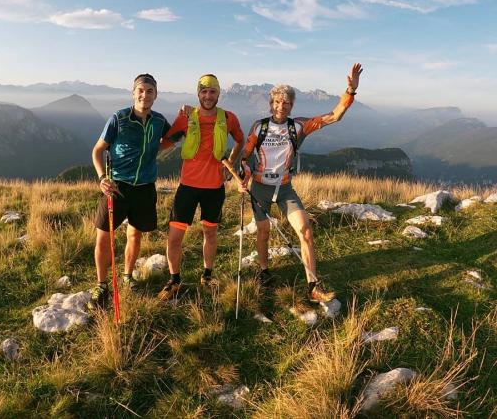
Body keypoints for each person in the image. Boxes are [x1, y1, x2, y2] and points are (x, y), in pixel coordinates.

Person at [240, 63, 363, 303]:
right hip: (260, 187)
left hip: (285, 188)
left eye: (286, 102)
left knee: (305, 230)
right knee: (263, 232)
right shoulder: (259, 127)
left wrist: (350, 92)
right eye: (277, 102)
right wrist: (244, 172)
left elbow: (334, 116)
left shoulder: (299, 126)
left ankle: (313, 286)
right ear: (271, 103)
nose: (281, 106)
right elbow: (245, 155)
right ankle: (264, 272)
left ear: (291, 105)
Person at [158, 73, 245, 300]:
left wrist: (230, 164)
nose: (208, 96)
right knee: (175, 237)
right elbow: (168, 141)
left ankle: (207, 275)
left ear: (218, 93)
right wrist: (142, 155)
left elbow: (240, 140)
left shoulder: (229, 118)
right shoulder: (186, 117)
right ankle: (174, 279)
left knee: (210, 233)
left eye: (212, 91)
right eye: (204, 92)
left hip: (214, 187)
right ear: (198, 94)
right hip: (187, 186)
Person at [89, 73, 171, 309]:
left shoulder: (158, 120)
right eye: (141, 90)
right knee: (104, 237)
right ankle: (101, 284)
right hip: (117, 186)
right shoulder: (119, 118)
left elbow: (171, 138)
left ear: (156, 95)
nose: (145, 95)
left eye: (150, 91)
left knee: (135, 235)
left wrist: (154, 151)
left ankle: (127, 277)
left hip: (145, 187)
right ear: (133, 92)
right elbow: (97, 151)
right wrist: (102, 178)